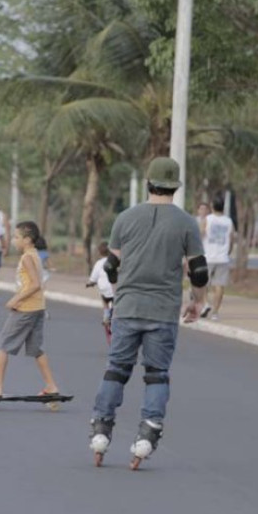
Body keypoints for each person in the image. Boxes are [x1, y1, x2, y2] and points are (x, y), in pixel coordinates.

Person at [88, 157, 208, 469]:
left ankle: (101, 431)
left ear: (148, 183)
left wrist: (119, 292)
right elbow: (199, 272)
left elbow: (111, 266)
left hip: (127, 308)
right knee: (156, 375)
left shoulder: (125, 218)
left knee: (116, 369)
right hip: (164, 311)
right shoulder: (186, 223)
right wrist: (197, 302)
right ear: (176, 187)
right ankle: (146, 436)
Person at [0, 221, 62, 398]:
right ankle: (51, 386)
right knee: (36, 349)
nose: (14, 240)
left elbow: (34, 284)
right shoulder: (35, 255)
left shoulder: (27, 258)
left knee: (3, 345)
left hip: (26, 309)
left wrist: (15, 299)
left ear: (27, 239)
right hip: (38, 308)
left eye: (17, 237)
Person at [200, 194, 234, 321]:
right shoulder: (229, 221)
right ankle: (215, 312)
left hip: (207, 257)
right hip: (223, 258)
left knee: (201, 283)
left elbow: (201, 235)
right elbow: (231, 239)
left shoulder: (207, 219)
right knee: (219, 285)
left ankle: (205, 303)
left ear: (212, 207)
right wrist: (228, 252)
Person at [86, 241, 115, 330]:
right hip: (114, 289)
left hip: (104, 290)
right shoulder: (114, 262)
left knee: (104, 298)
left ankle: (106, 315)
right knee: (115, 301)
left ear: (99, 252)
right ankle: (114, 314)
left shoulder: (98, 263)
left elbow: (93, 278)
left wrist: (89, 283)